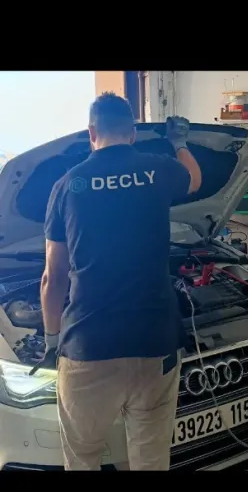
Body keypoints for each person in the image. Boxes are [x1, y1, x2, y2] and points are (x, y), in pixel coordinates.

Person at [34, 92, 202, 470]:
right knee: (150, 460)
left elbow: (52, 277)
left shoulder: (67, 185)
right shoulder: (157, 169)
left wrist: (51, 340)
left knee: (83, 459)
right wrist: (179, 143)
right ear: (132, 133)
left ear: (92, 133)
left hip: (88, 346)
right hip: (155, 342)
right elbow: (194, 180)